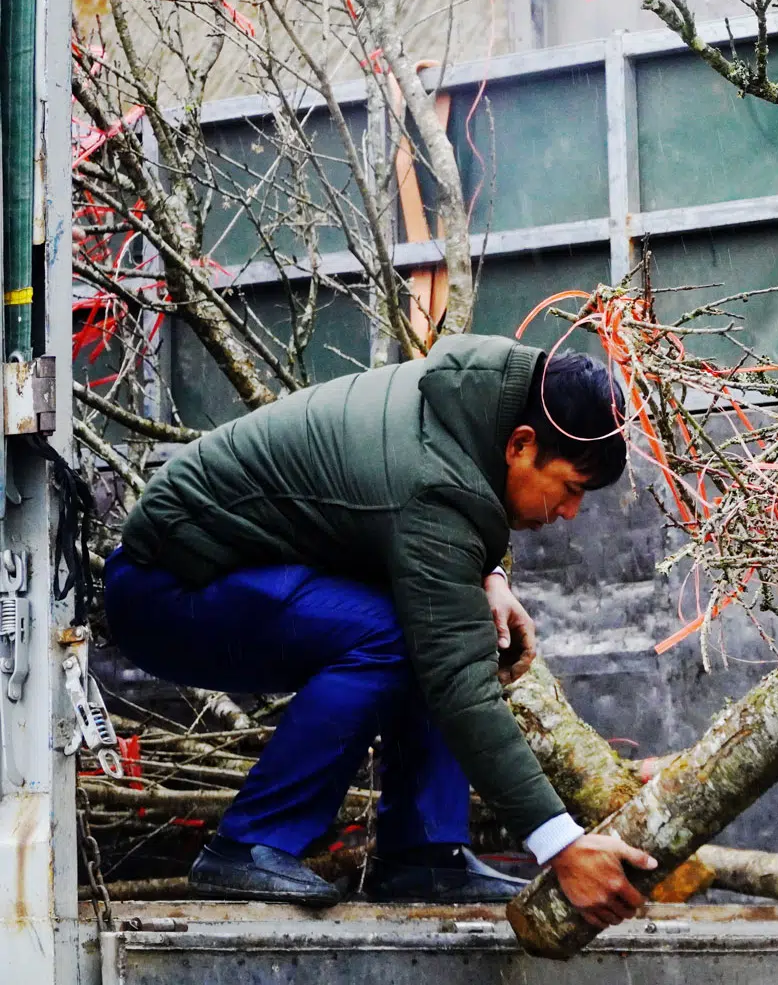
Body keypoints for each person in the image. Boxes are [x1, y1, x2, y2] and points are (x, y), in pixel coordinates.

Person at [103, 335, 658, 916]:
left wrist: (487, 573)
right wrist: (560, 844)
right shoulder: (436, 485)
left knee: (442, 627)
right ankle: (249, 844)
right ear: (521, 445)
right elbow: (458, 681)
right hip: (167, 589)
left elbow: (398, 498)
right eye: (571, 489)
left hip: (232, 570)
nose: (570, 512)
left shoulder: (481, 396)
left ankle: (423, 854)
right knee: (406, 640)